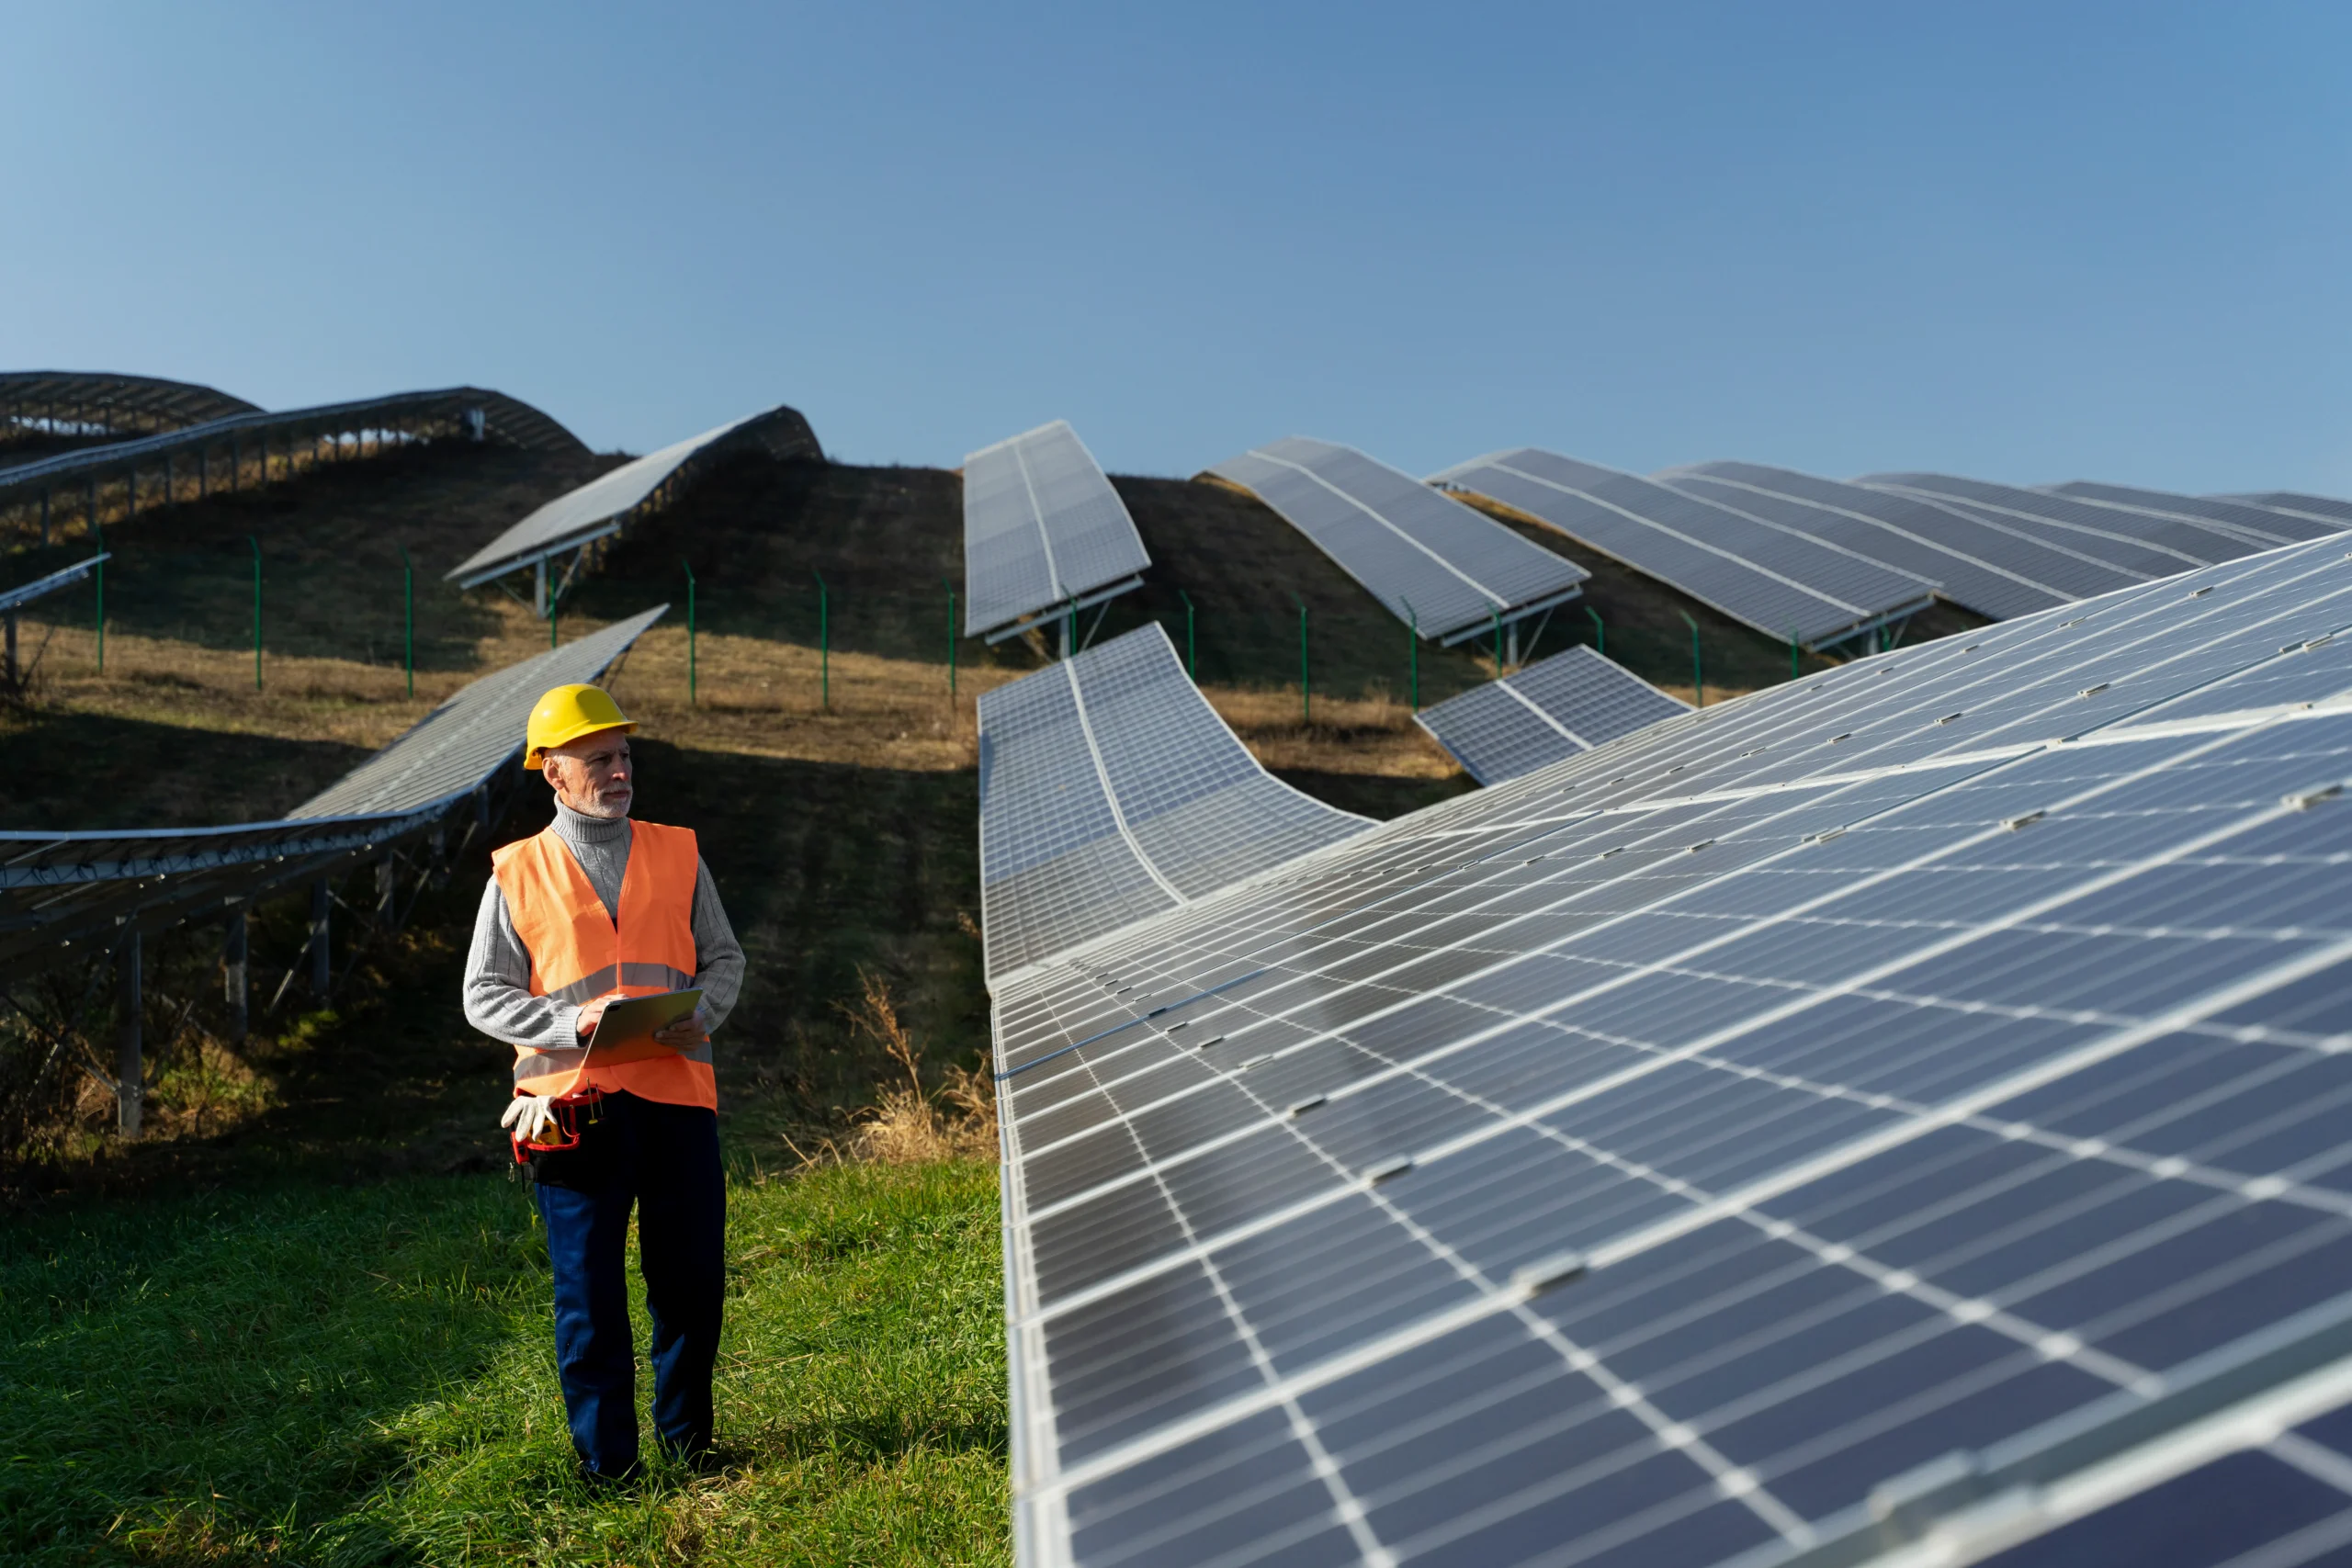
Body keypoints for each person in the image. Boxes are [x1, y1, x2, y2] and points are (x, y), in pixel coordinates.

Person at [462, 682, 745, 1483]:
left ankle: (690, 1450)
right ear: (552, 772)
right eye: (598, 759)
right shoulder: (517, 872)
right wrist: (572, 1023)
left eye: (624, 755)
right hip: (572, 1114)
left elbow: (725, 958)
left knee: (690, 1285)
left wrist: (707, 1012)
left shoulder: (678, 851)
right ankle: (607, 1468)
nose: (619, 771)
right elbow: (483, 994)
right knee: (589, 1298)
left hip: (677, 1105)